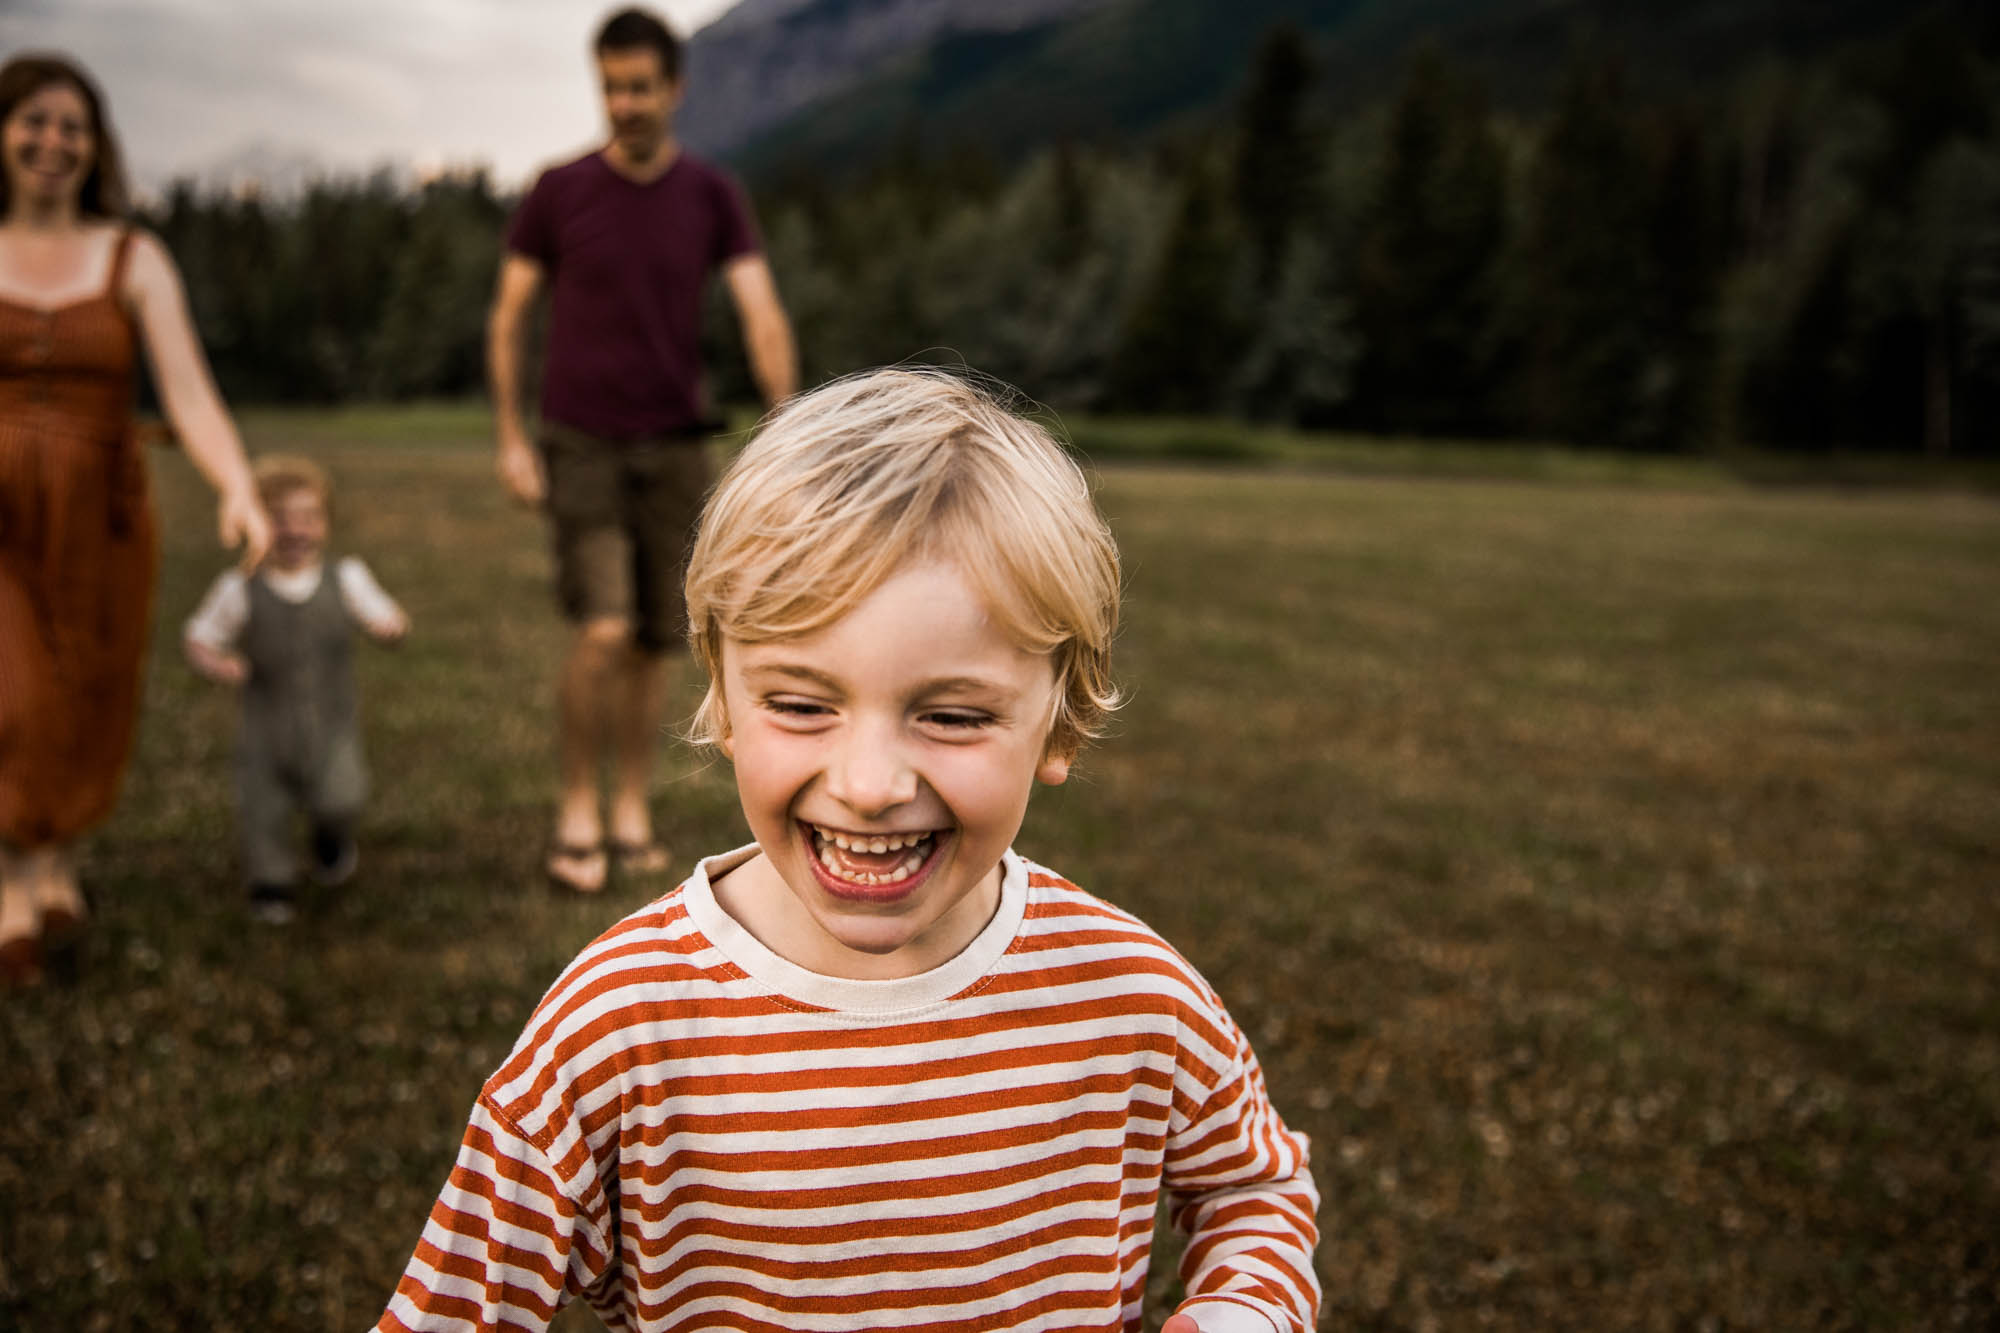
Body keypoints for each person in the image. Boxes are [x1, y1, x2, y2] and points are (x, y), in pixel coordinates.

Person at [375, 369, 1321, 1333]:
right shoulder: (620, 1027)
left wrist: (1242, 1316)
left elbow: (1258, 1189)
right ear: (723, 698)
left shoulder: (1130, 995)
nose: (869, 782)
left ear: (1061, 725)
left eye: (951, 715)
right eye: (799, 703)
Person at [490, 6, 798, 895]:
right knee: (604, 629)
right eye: (611, 87)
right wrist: (511, 435)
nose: (623, 103)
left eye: (640, 87)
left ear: (675, 89)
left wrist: (787, 431)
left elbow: (760, 309)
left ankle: (631, 804)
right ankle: (578, 805)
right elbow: (509, 316)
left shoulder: (710, 195)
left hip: (675, 448)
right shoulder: (557, 190)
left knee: (659, 643)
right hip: (578, 443)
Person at [0, 53, 270, 985]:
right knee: (14, 690)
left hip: (99, 516)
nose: (52, 141)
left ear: (95, 144)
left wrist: (235, 484)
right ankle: (13, 889)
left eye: (72, 125)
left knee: (86, 689)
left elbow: (189, 395)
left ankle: (57, 862)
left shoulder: (133, 256)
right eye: (33, 120)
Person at [183, 455, 409, 923]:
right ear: (256, 524)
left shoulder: (346, 578)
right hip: (266, 730)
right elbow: (200, 636)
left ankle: (331, 839)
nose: (295, 531)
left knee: (342, 795)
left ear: (325, 523)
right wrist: (220, 664)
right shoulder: (240, 587)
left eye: (308, 518)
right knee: (263, 806)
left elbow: (382, 613)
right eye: (279, 520)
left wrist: (390, 627)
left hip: (332, 724)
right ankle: (271, 883)